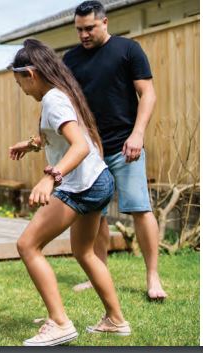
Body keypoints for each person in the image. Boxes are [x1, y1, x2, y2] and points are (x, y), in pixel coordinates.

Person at [8, 39, 130, 347]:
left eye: (19, 81)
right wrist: (33, 143)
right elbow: (60, 133)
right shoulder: (61, 94)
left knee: (28, 245)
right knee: (85, 252)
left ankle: (60, 323)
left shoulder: (53, 99)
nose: (20, 89)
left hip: (81, 185)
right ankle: (116, 320)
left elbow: (80, 145)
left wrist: (51, 177)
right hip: (98, 179)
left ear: (31, 74)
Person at [61, 0, 167, 300]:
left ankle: (153, 277)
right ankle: (99, 275)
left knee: (140, 208)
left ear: (105, 22)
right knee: (95, 214)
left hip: (125, 145)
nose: (84, 34)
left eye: (90, 28)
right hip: (91, 150)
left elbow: (147, 93)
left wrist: (137, 134)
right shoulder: (71, 60)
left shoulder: (128, 50)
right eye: (79, 30)